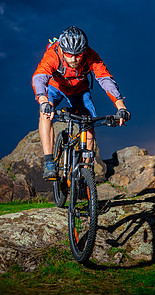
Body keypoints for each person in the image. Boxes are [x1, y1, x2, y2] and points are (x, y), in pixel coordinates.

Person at [32, 25, 130, 180]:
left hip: (79, 91)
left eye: (78, 54)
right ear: (63, 50)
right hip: (54, 88)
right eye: (69, 54)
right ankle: (49, 162)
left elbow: (105, 79)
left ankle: (85, 173)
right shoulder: (53, 55)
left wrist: (121, 106)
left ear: (84, 50)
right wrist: (44, 101)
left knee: (89, 127)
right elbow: (39, 77)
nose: (74, 58)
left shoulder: (91, 56)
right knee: (45, 114)